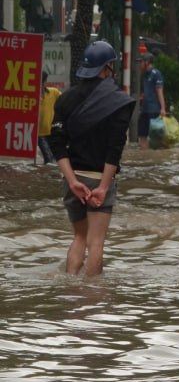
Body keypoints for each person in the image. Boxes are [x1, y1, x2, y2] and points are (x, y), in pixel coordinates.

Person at [47, 40, 136, 276]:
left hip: (72, 177)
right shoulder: (118, 102)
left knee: (79, 236)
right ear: (107, 67)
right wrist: (104, 187)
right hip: (99, 178)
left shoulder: (64, 99)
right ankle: (93, 299)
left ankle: (71, 288)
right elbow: (114, 150)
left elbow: (56, 142)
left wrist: (72, 180)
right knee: (95, 243)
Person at [136, 50, 166, 149]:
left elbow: (159, 91)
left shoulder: (156, 74)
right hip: (145, 110)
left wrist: (163, 108)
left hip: (154, 110)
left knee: (155, 138)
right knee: (142, 135)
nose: (139, 64)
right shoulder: (144, 74)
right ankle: (144, 156)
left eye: (141, 62)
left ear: (147, 62)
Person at [38, 70, 61, 164]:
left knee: (54, 157)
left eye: (40, 83)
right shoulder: (32, 96)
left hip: (51, 131)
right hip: (39, 133)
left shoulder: (53, 92)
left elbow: (65, 100)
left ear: (44, 82)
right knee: (49, 159)